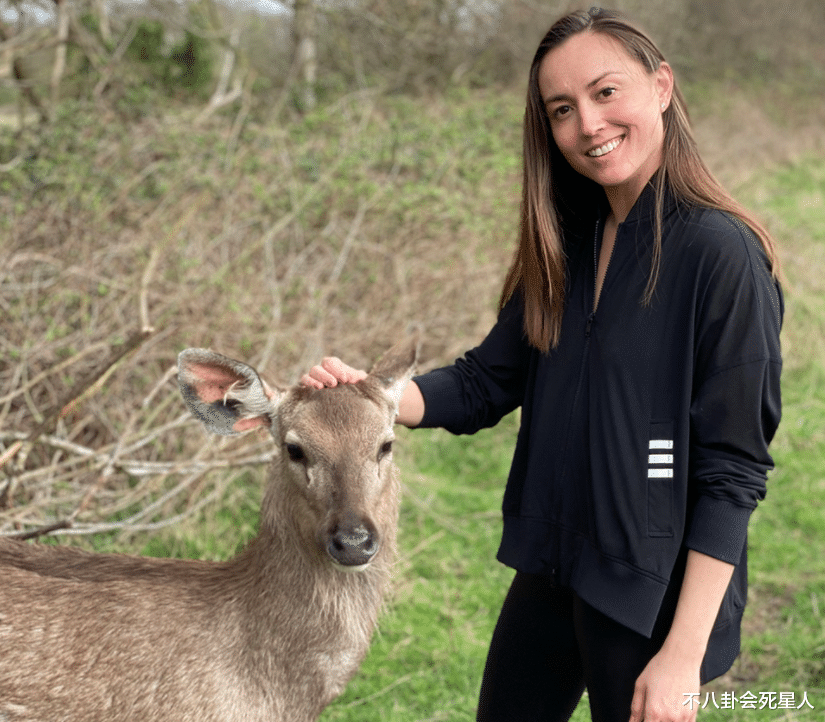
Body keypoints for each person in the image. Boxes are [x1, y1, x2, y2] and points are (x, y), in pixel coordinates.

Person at [301, 8, 783, 722]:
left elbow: (732, 472)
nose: (587, 124)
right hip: (553, 563)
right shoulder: (569, 240)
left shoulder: (721, 255)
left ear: (660, 87)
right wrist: (369, 397)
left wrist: (682, 653)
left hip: (650, 591)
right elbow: (485, 381)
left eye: (604, 92)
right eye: (562, 109)